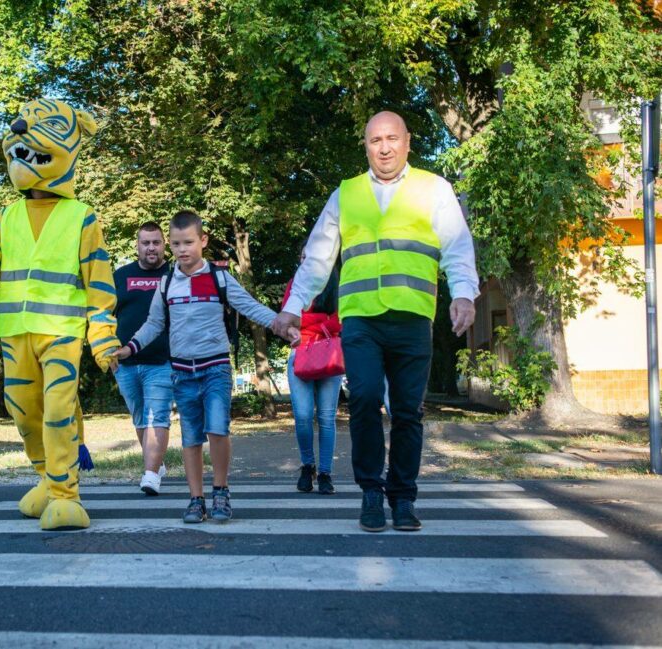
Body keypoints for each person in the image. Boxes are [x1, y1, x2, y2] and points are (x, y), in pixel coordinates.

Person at [273, 111, 478, 533]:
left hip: (412, 317)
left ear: (407, 142)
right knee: (365, 399)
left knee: (407, 411)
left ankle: (402, 498)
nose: (383, 147)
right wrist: (294, 305)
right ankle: (370, 492)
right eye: (374, 140)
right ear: (365, 145)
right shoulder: (345, 194)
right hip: (361, 319)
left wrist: (463, 294)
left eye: (391, 139)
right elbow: (317, 257)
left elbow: (457, 246)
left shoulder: (434, 188)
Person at [0, 99, 118, 531]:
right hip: (14, 331)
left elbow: (99, 281)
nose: (21, 129)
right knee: (22, 410)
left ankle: (65, 494)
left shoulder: (82, 216)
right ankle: (46, 478)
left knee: (58, 409)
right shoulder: (6, 216)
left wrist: (104, 337)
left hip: (61, 331)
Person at [113, 211, 283, 524]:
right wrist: (129, 348)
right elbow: (154, 323)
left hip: (215, 367)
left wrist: (278, 323)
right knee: (191, 438)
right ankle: (196, 498)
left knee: (217, 429)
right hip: (182, 372)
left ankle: (221, 490)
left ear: (202, 241)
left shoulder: (219, 278)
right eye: (176, 244)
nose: (182, 249)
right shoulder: (166, 283)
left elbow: (248, 305)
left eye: (188, 242)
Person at [112, 221, 173, 495]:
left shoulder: (175, 276)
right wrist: (107, 350)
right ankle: (155, 463)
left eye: (156, 242)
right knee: (139, 417)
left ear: (164, 245)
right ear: (137, 245)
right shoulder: (120, 276)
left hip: (162, 362)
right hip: (124, 363)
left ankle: (150, 474)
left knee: (156, 416)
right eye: (145, 242)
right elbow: (104, 315)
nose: (151, 247)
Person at [282, 249, 342, 495]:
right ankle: (308, 466)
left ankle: (325, 473)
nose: (307, 260)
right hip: (301, 355)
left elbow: (342, 320)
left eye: (314, 255)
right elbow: (288, 320)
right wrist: (322, 321)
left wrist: (309, 322)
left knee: (327, 418)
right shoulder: (294, 285)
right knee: (303, 415)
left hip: (329, 355)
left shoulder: (337, 283)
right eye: (303, 256)